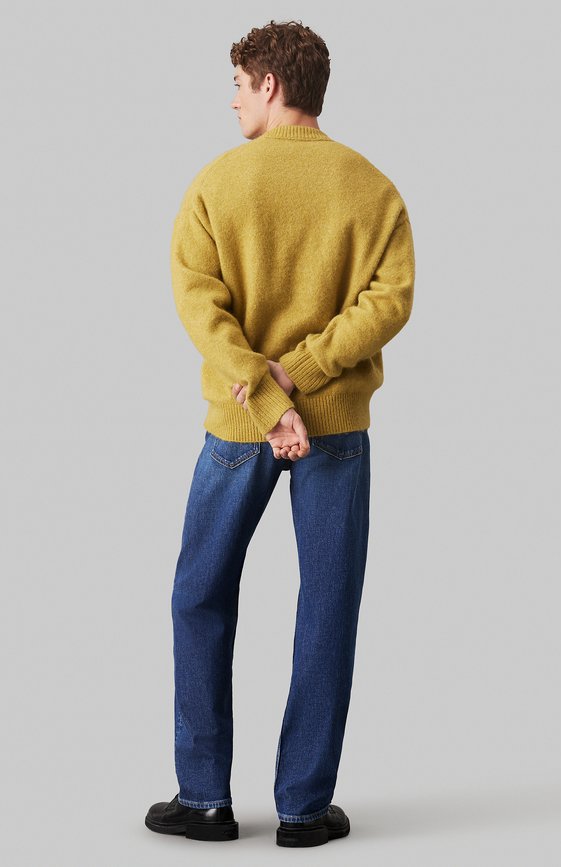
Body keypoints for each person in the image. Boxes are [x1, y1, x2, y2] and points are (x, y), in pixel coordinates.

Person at [144, 18, 415, 848]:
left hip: (237, 429)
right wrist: (297, 380)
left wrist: (265, 394)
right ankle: (303, 809)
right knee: (327, 607)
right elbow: (388, 304)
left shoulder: (215, 185)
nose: (232, 101)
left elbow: (202, 310)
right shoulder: (372, 188)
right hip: (337, 430)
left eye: (238, 84)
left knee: (199, 595)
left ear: (271, 84)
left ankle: (204, 799)